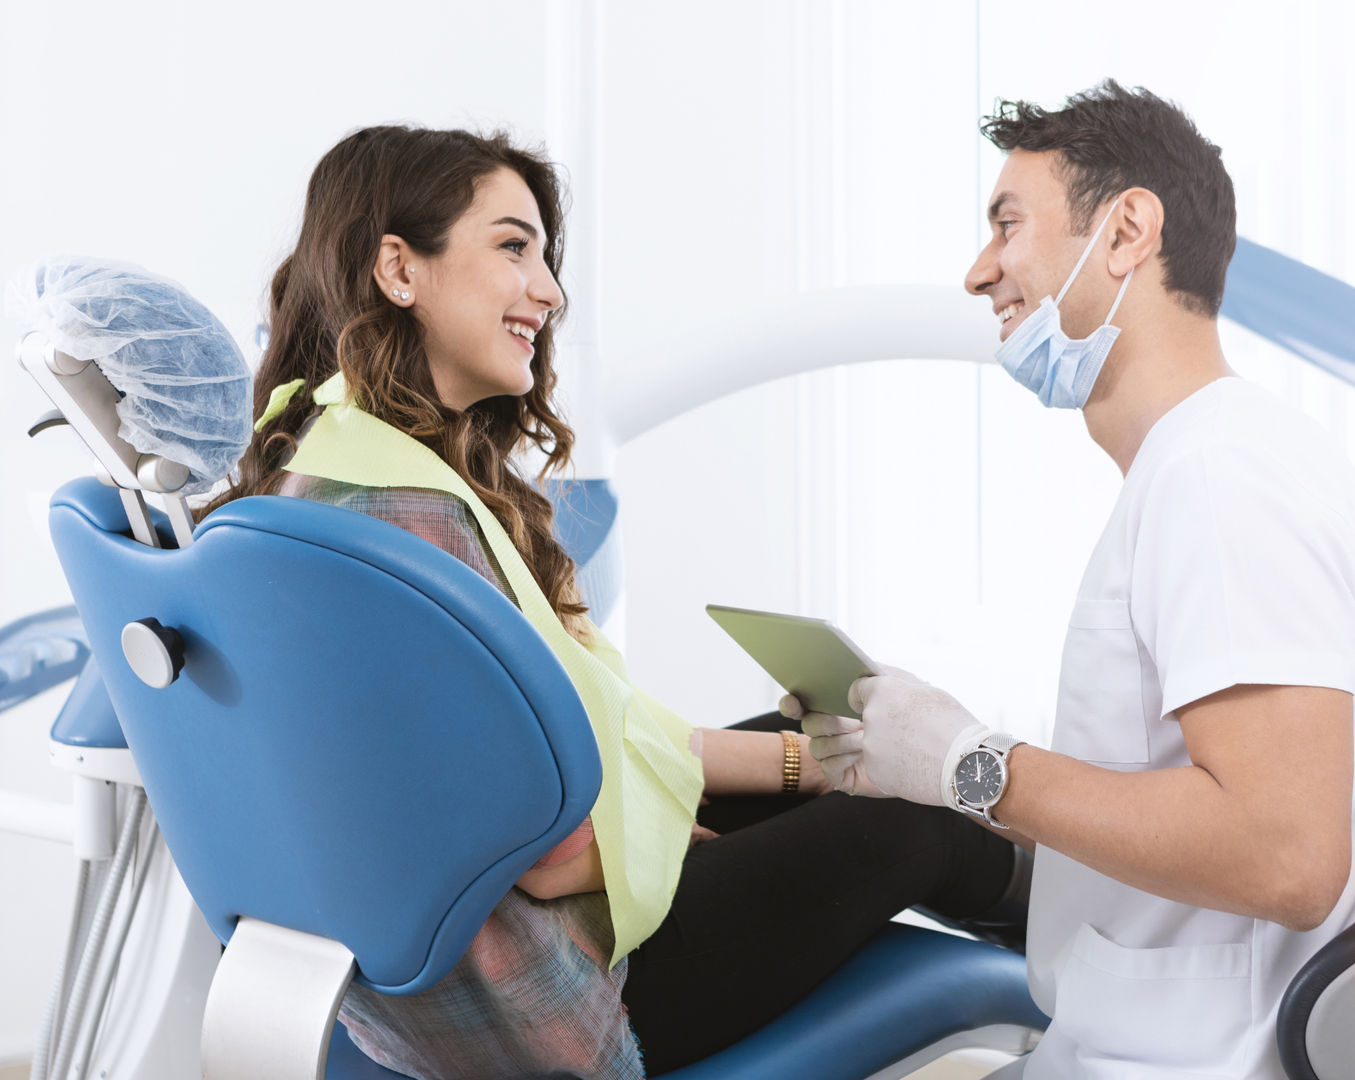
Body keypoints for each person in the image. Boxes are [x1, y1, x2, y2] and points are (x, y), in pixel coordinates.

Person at [207, 125, 1026, 1079]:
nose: (548, 292)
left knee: (842, 748)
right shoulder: (410, 526)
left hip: (421, 986)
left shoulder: (332, 470)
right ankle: (1094, 945)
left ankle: (1064, 910)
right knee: (917, 821)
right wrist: (674, 835)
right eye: (513, 247)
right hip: (549, 1003)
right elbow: (552, 859)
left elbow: (602, 745)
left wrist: (797, 769)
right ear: (400, 267)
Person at [793, 82, 1355, 1079]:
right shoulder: (1202, 466)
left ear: (1128, 230)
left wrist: (975, 764)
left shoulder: (1222, 475)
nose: (980, 272)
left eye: (1008, 225)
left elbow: (1286, 855)